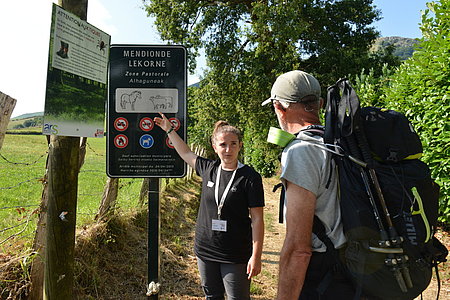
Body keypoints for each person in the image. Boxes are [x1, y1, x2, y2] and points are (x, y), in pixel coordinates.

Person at [262, 70, 354, 299]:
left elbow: (299, 250)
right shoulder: (337, 144)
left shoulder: (302, 152)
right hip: (353, 265)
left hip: (324, 275)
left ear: (279, 108)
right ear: (320, 103)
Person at [153, 113, 265, 300]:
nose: (228, 149)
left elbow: (257, 219)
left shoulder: (250, 178)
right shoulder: (209, 169)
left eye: (233, 144)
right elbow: (185, 153)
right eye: (223, 144)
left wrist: (256, 256)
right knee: (212, 296)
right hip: (206, 250)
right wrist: (169, 130)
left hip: (235, 253)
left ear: (240, 146)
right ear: (215, 147)